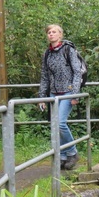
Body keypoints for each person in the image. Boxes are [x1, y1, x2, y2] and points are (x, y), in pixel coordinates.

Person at [38, 24, 82, 170]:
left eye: (54, 32)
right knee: (55, 125)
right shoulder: (47, 53)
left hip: (68, 91)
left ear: (60, 35)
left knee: (61, 123)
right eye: (49, 32)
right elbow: (44, 76)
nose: (51, 34)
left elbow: (77, 72)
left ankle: (72, 152)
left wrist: (75, 94)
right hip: (53, 93)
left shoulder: (68, 49)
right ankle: (63, 156)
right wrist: (42, 97)